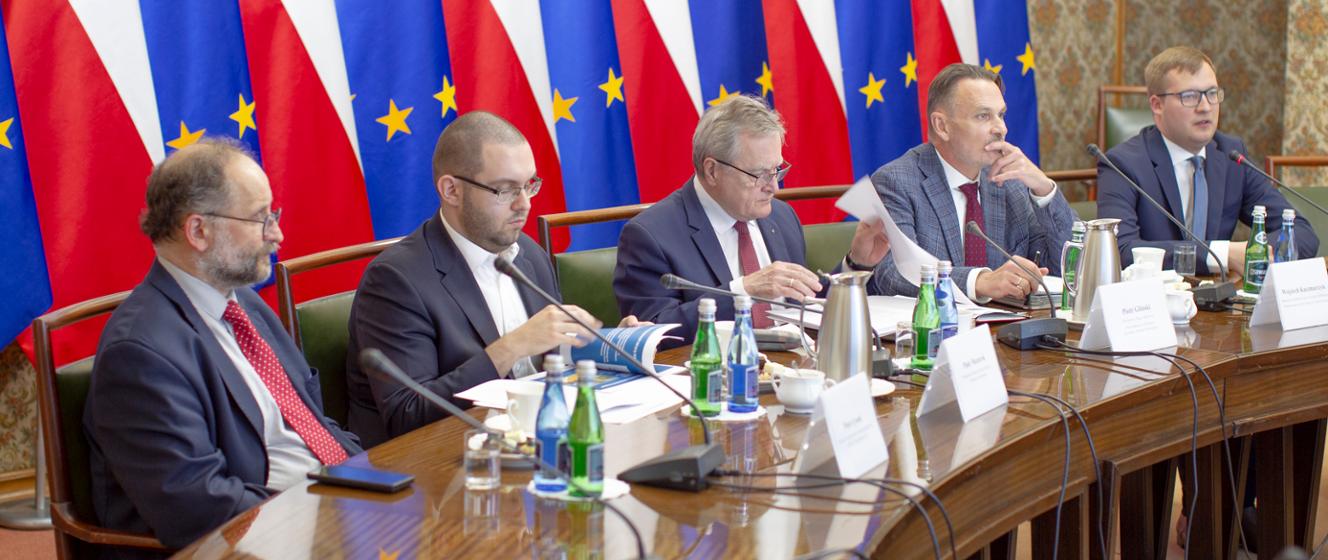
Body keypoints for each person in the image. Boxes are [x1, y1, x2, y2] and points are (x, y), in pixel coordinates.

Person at [85, 139, 362, 550]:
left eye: (274, 215)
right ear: (198, 231)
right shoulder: (140, 354)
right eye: (260, 218)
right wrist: (321, 518)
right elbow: (196, 504)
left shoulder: (244, 303)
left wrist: (371, 477)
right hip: (248, 539)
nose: (277, 234)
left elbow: (313, 423)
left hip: (323, 508)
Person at [345, 111, 638, 447]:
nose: (524, 204)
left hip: (533, 441)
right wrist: (510, 348)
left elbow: (549, 357)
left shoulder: (527, 254)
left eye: (530, 185)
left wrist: (611, 347)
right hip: (438, 461)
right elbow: (407, 414)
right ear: (451, 190)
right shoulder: (396, 280)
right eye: (505, 190)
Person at [614, 95, 890, 343]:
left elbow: (804, 306)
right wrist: (743, 291)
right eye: (759, 175)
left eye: (777, 170)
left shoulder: (781, 216)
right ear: (712, 171)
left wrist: (856, 264)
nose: (774, 187)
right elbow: (654, 334)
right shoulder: (651, 235)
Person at [1097, 46, 1317, 274]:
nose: (1205, 107)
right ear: (1157, 105)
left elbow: (1300, 231)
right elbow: (1119, 251)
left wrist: (1257, 252)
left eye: (1212, 93)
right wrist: (1222, 255)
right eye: (1189, 97)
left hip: (1219, 295)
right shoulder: (1122, 164)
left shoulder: (1231, 155)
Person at [869, 63, 1076, 301]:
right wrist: (980, 281)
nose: (1001, 128)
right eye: (983, 116)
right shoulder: (896, 182)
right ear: (942, 126)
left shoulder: (1010, 182)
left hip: (1007, 324)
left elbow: (1069, 269)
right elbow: (892, 273)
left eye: (1001, 115)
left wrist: (1044, 190)